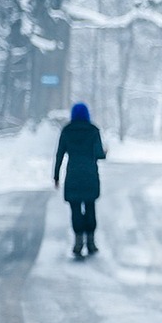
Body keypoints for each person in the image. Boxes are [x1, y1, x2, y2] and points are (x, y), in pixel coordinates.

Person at [53, 102, 106, 257]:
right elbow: (99, 154)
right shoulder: (93, 131)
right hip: (90, 175)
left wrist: (56, 176)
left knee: (75, 208)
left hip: (73, 176)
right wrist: (105, 152)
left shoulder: (67, 131)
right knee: (90, 207)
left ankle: (78, 242)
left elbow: (59, 155)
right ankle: (91, 242)